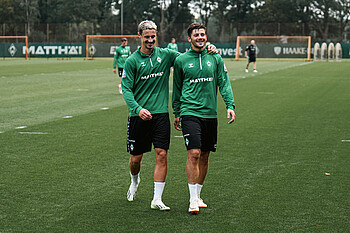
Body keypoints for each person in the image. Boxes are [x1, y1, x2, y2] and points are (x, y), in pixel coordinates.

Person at [122, 20, 218, 211]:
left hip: (160, 115)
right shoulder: (131, 61)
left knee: (162, 154)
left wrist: (208, 48)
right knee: (136, 159)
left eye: (153, 36)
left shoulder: (166, 55)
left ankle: (156, 199)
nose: (150, 40)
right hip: (138, 115)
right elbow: (126, 89)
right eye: (147, 37)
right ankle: (134, 181)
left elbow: (188, 57)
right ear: (139, 36)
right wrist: (138, 108)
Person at [172, 23, 235, 215]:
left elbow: (223, 83)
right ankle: (192, 199)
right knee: (194, 153)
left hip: (210, 113)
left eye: (202, 34)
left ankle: (198, 194)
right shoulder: (181, 60)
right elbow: (177, 89)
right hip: (190, 112)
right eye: (196, 35)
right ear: (189, 38)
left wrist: (230, 105)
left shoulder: (215, 57)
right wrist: (177, 112)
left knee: (205, 155)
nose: (200, 37)